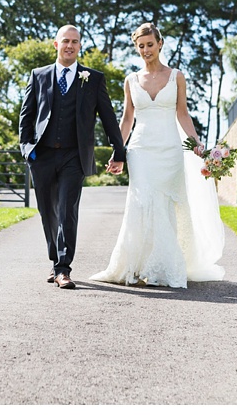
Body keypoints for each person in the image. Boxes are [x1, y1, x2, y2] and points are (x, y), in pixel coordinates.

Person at [91, 23, 226, 288]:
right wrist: (118, 151)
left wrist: (198, 145)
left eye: (149, 44)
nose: (145, 50)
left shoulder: (176, 76)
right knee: (142, 204)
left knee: (165, 205)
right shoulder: (131, 80)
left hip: (170, 150)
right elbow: (127, 118)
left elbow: (183, 114)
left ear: (160, 44)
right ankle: (138, 265)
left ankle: (162, 267)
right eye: (140, 46)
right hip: (140, 150)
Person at [19, 24, 127, 290]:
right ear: (56, 45)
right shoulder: (39, 75)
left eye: (75, 42)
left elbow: (109, 118)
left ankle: (63, 269)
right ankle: (55, 261)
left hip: (74, 156)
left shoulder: (93, 78)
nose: (70, 45)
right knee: (48, 212)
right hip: (42, 155)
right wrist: (26, 148)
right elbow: (27, 115)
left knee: (68, 210)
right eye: (65, 41)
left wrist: (118, 150)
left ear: (80, 46)